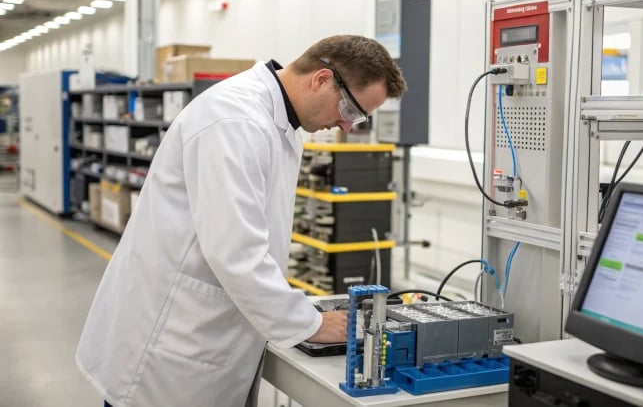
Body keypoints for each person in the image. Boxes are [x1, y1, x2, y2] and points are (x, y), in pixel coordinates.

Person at [76, 35, 407, 407]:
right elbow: (235, 252)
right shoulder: (235, 120)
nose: (346, 127)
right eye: (350, 111)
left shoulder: (281, 121)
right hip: (170, 340)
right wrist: (311, 324)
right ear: (322, 79)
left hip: (209, 333)